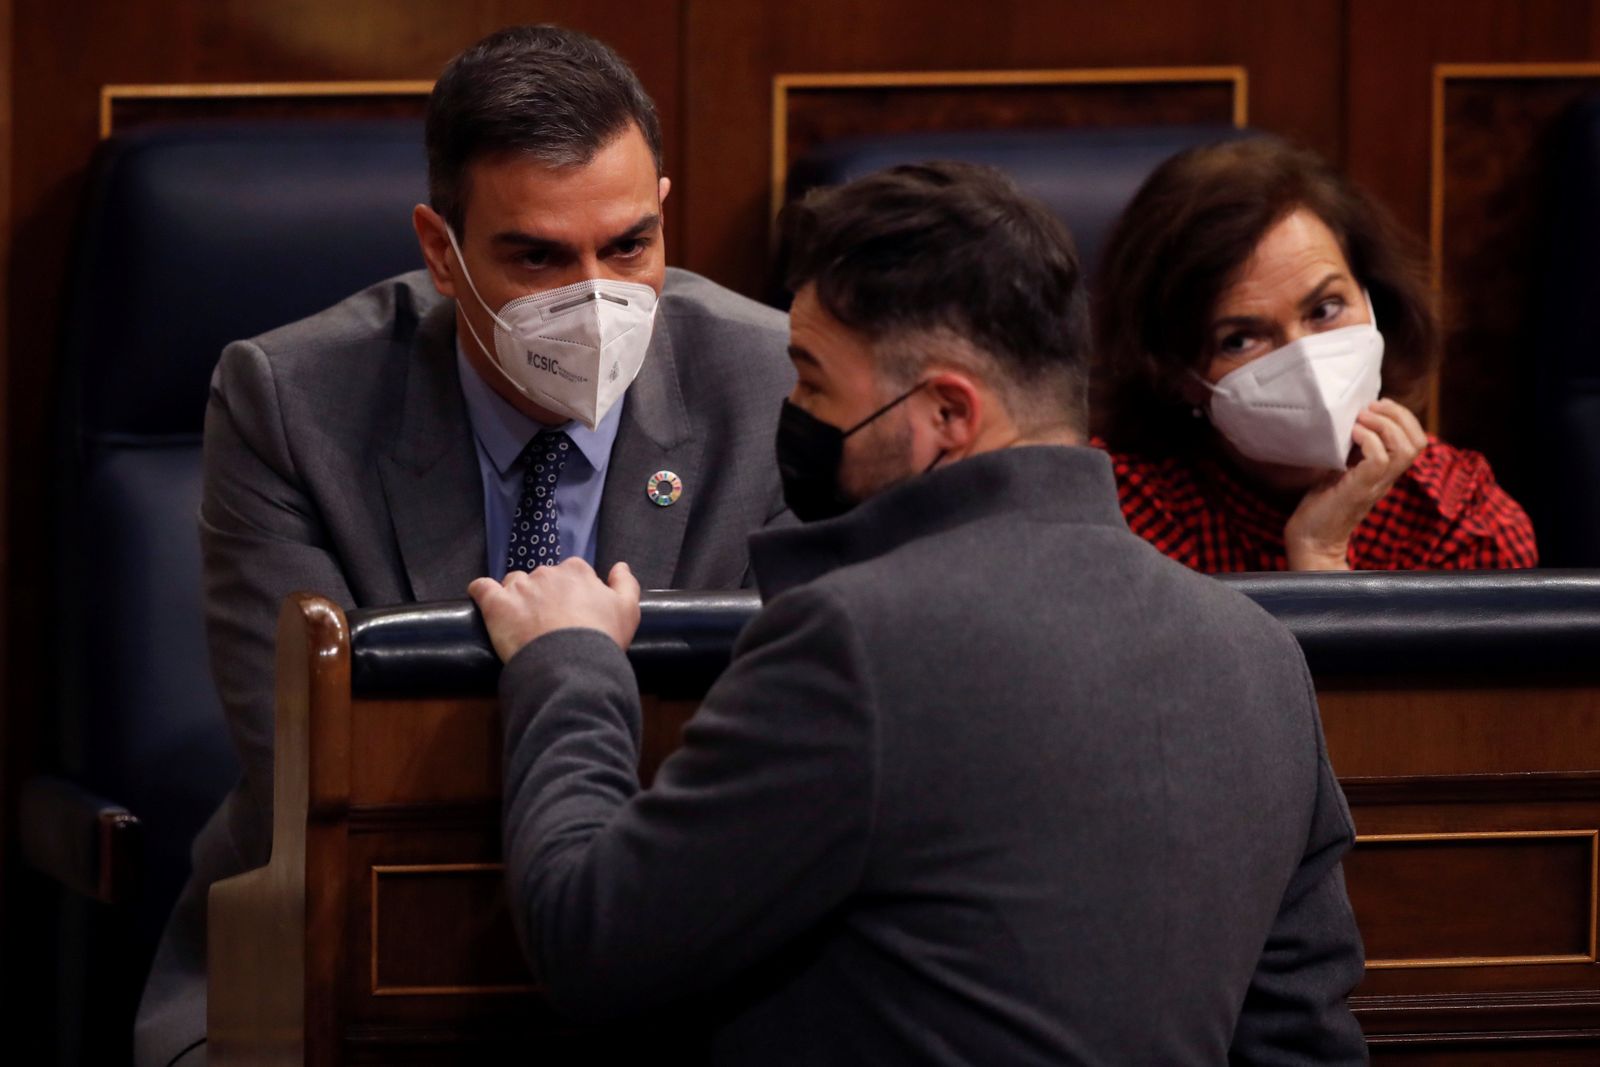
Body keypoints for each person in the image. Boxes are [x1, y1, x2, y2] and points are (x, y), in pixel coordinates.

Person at [468, 161, 1368, 1065]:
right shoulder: (1261, 655)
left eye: (815, 386)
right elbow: (1302, 1037)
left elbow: (592, 942)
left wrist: (572, 661)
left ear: (945, 413)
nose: (794, 415)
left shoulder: (855, 644)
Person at [135, 25, 793, 1067]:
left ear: (664, 212)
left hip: (670, 953)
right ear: (441, 251)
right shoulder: (290, 400)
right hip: (339, 930)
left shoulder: (771, 384)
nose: (596, 297)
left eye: (628, 246)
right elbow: (315, 763)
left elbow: (788, 759)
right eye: (537, 255)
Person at [1093, 136, 1537, 572]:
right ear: (1178, 375)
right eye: (1241, 339)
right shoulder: (1115, 516)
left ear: (1372, 300)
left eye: (1325, 310)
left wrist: (1320, 555)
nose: (1305, 362)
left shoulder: (1459, 521)